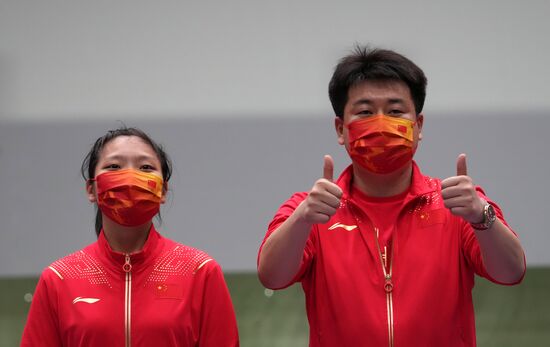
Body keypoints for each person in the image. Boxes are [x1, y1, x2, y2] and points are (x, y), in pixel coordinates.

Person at [257, 46, 526, 347]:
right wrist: (302, 220)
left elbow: (511, 272)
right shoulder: (311, 209)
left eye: (396, 111)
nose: (381, 123)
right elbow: (272, 277)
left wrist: (481, 216)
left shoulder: (459, 204)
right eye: (365, 112)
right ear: (340, 129)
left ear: (418, 126)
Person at [22, 127, 239, 347]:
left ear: (163, 190)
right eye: (114, 166)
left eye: (145, 167)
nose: (130, 178)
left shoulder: (200, 271)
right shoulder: (59, 279)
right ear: (91, 189)